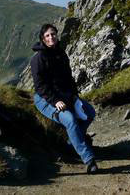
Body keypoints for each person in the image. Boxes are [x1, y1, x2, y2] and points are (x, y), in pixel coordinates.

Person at [31, 23, 98, 174]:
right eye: (47, 35)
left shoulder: (61, 54)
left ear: (57, 35)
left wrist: (74, 96)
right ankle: (89, 160)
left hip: (64, 94)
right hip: (44, 98)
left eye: (53, 34)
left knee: (89, 112)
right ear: (42, 39)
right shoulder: (38, 59)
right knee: (70, 120)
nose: (51, 37)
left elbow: (69, 78)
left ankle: (71, 142)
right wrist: (55, 101)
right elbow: (40, 87)